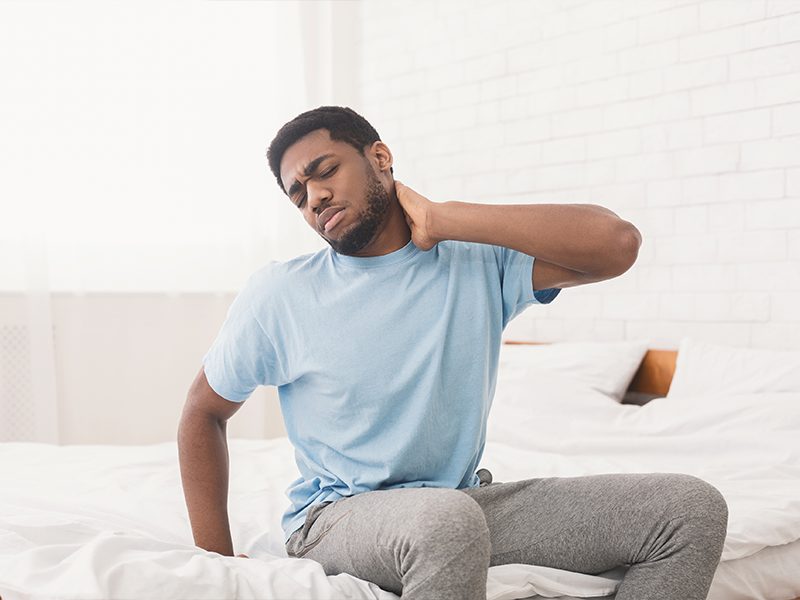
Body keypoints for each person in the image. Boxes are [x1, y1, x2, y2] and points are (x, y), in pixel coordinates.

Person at [178, 106, 728, 600]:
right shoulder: (282, 294)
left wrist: (445, 220)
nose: (314, 197)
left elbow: (617, 245)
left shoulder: (474, 264)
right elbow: (203, 412)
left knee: (688, 510)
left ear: (380, 158)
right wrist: (217, 560)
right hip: (337, 519)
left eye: (324, 172)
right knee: (445, 520)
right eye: (298, 194)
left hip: (462, 503)